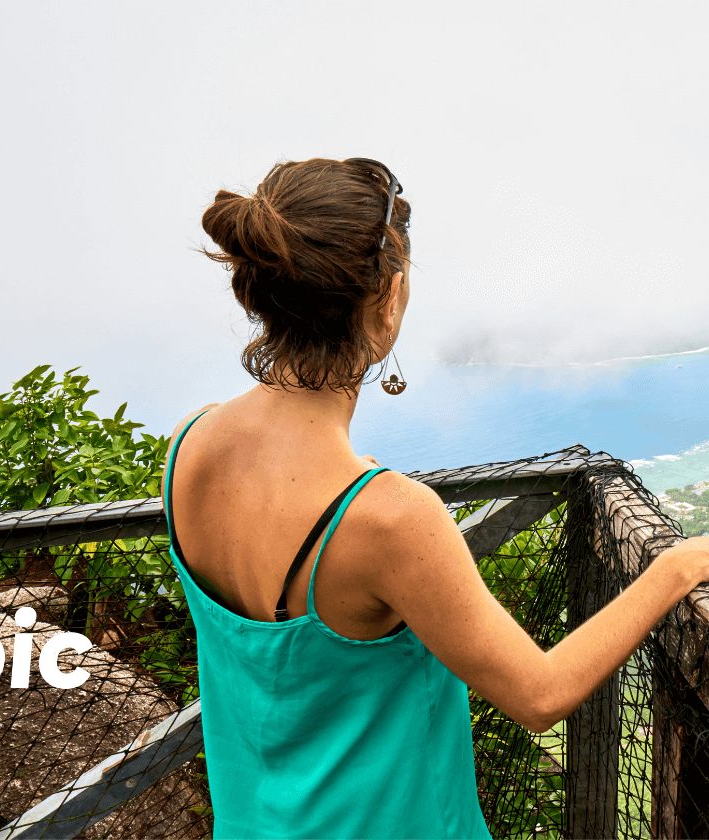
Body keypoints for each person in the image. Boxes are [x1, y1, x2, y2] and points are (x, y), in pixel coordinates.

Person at [162, 156, 709, 838]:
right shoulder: (387, 519)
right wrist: (677, 567)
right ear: (386, 302)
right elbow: (540, 694)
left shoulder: (189, 449)